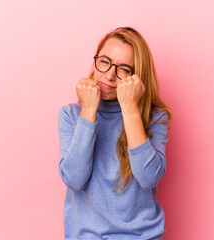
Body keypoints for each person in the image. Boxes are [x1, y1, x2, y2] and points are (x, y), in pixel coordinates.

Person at [58, 27, 172, 240]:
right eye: (104, 61)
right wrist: (89, 111)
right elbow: (74, 179)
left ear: (136, 76)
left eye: (124, 69)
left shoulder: (155, 117)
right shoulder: (71, 115)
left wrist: (129, 107)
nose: (109, 75)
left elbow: (149, 178)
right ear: (95, 60)